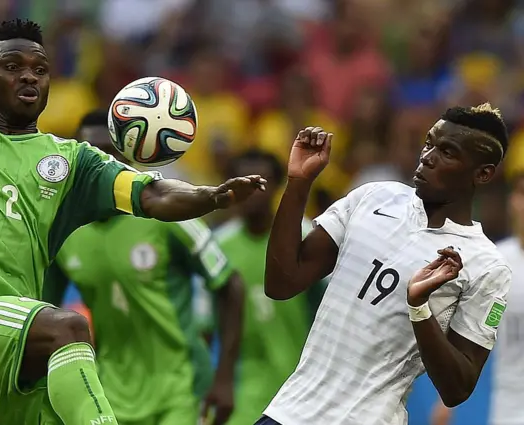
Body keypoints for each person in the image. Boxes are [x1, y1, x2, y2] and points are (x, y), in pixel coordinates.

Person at [0, 19, 265, 425]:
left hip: (16, 349)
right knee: (68, 328)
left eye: (40, 68)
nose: (29, 75)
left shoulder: (73, 161)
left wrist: (210, 196)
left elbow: (152, 194)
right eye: (13, 66)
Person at [258, 103, 512, 425]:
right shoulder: (373, 198)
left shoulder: (486, 265)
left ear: (483, 173)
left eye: (447, 152)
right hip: (287, 412)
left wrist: (419, 308)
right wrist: (298, 182)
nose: (428, 157)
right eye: (429, 143)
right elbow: (281, 283)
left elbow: (457, 389)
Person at [46, 110, 245, 425]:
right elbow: (46, 309)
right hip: (111, 390)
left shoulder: (169, 214)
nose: (101, 163)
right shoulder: (64, 230)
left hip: (181, 387)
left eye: (109, 153)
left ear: (125, 158)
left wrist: (224, 378)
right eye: (91, 152)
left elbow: (229, 284)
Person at [214, 149, 327, 425]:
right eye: (244, 183)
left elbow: (329, 304)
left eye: (261, 183)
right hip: (242, 387)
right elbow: (208, 322)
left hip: (299, 383)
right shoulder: (219, 246)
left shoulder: (305, 235)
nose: (252, 192)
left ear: (277, 186)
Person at [430, 173, 524, 425]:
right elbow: (475, 331)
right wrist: (444, 402)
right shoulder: (498, 264)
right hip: (507, 411)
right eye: (521, 194)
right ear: (512, 201)